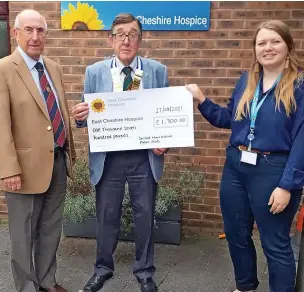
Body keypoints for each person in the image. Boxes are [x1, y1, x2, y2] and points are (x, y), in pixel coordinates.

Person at [187, 20, 304, 292]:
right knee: (236, 235)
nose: (268, 48)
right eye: (262, 43)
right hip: (236, 167)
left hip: (274, 170)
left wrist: (287, 185)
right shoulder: (247, 80)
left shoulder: (299, 85)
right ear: (254, 49)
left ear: (288, 45)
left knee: (274, 243)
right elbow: (231, 119)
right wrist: (202, 100)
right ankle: (246, 286)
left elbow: (301, 139)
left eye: (275, 41)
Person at [72, 13, 169, 292]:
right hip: (108, 158)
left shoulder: (157, 71)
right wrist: (80, 117)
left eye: (132, 34)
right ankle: (102, 269)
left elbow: (164, 114)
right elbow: (85, 114)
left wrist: (164, 140)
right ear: (110, 39)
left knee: (145, 215)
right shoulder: (94, 72)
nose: (126, 40)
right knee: (106, 216)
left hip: (143, 158)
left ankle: (145, 272)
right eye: (120, 34)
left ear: (140, 39)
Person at [0, 9, 75, 292]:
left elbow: (54, 112)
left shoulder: (53, 67)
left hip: (56, 161)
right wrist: (8, 169)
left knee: (50, 229)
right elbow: (1, 124)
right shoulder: (5, 69)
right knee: (23, 234)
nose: (35, 36)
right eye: (28, 30)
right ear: (16, 33)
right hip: (22, 168)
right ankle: (26, 287)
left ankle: (46, 281)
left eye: (40, 31)